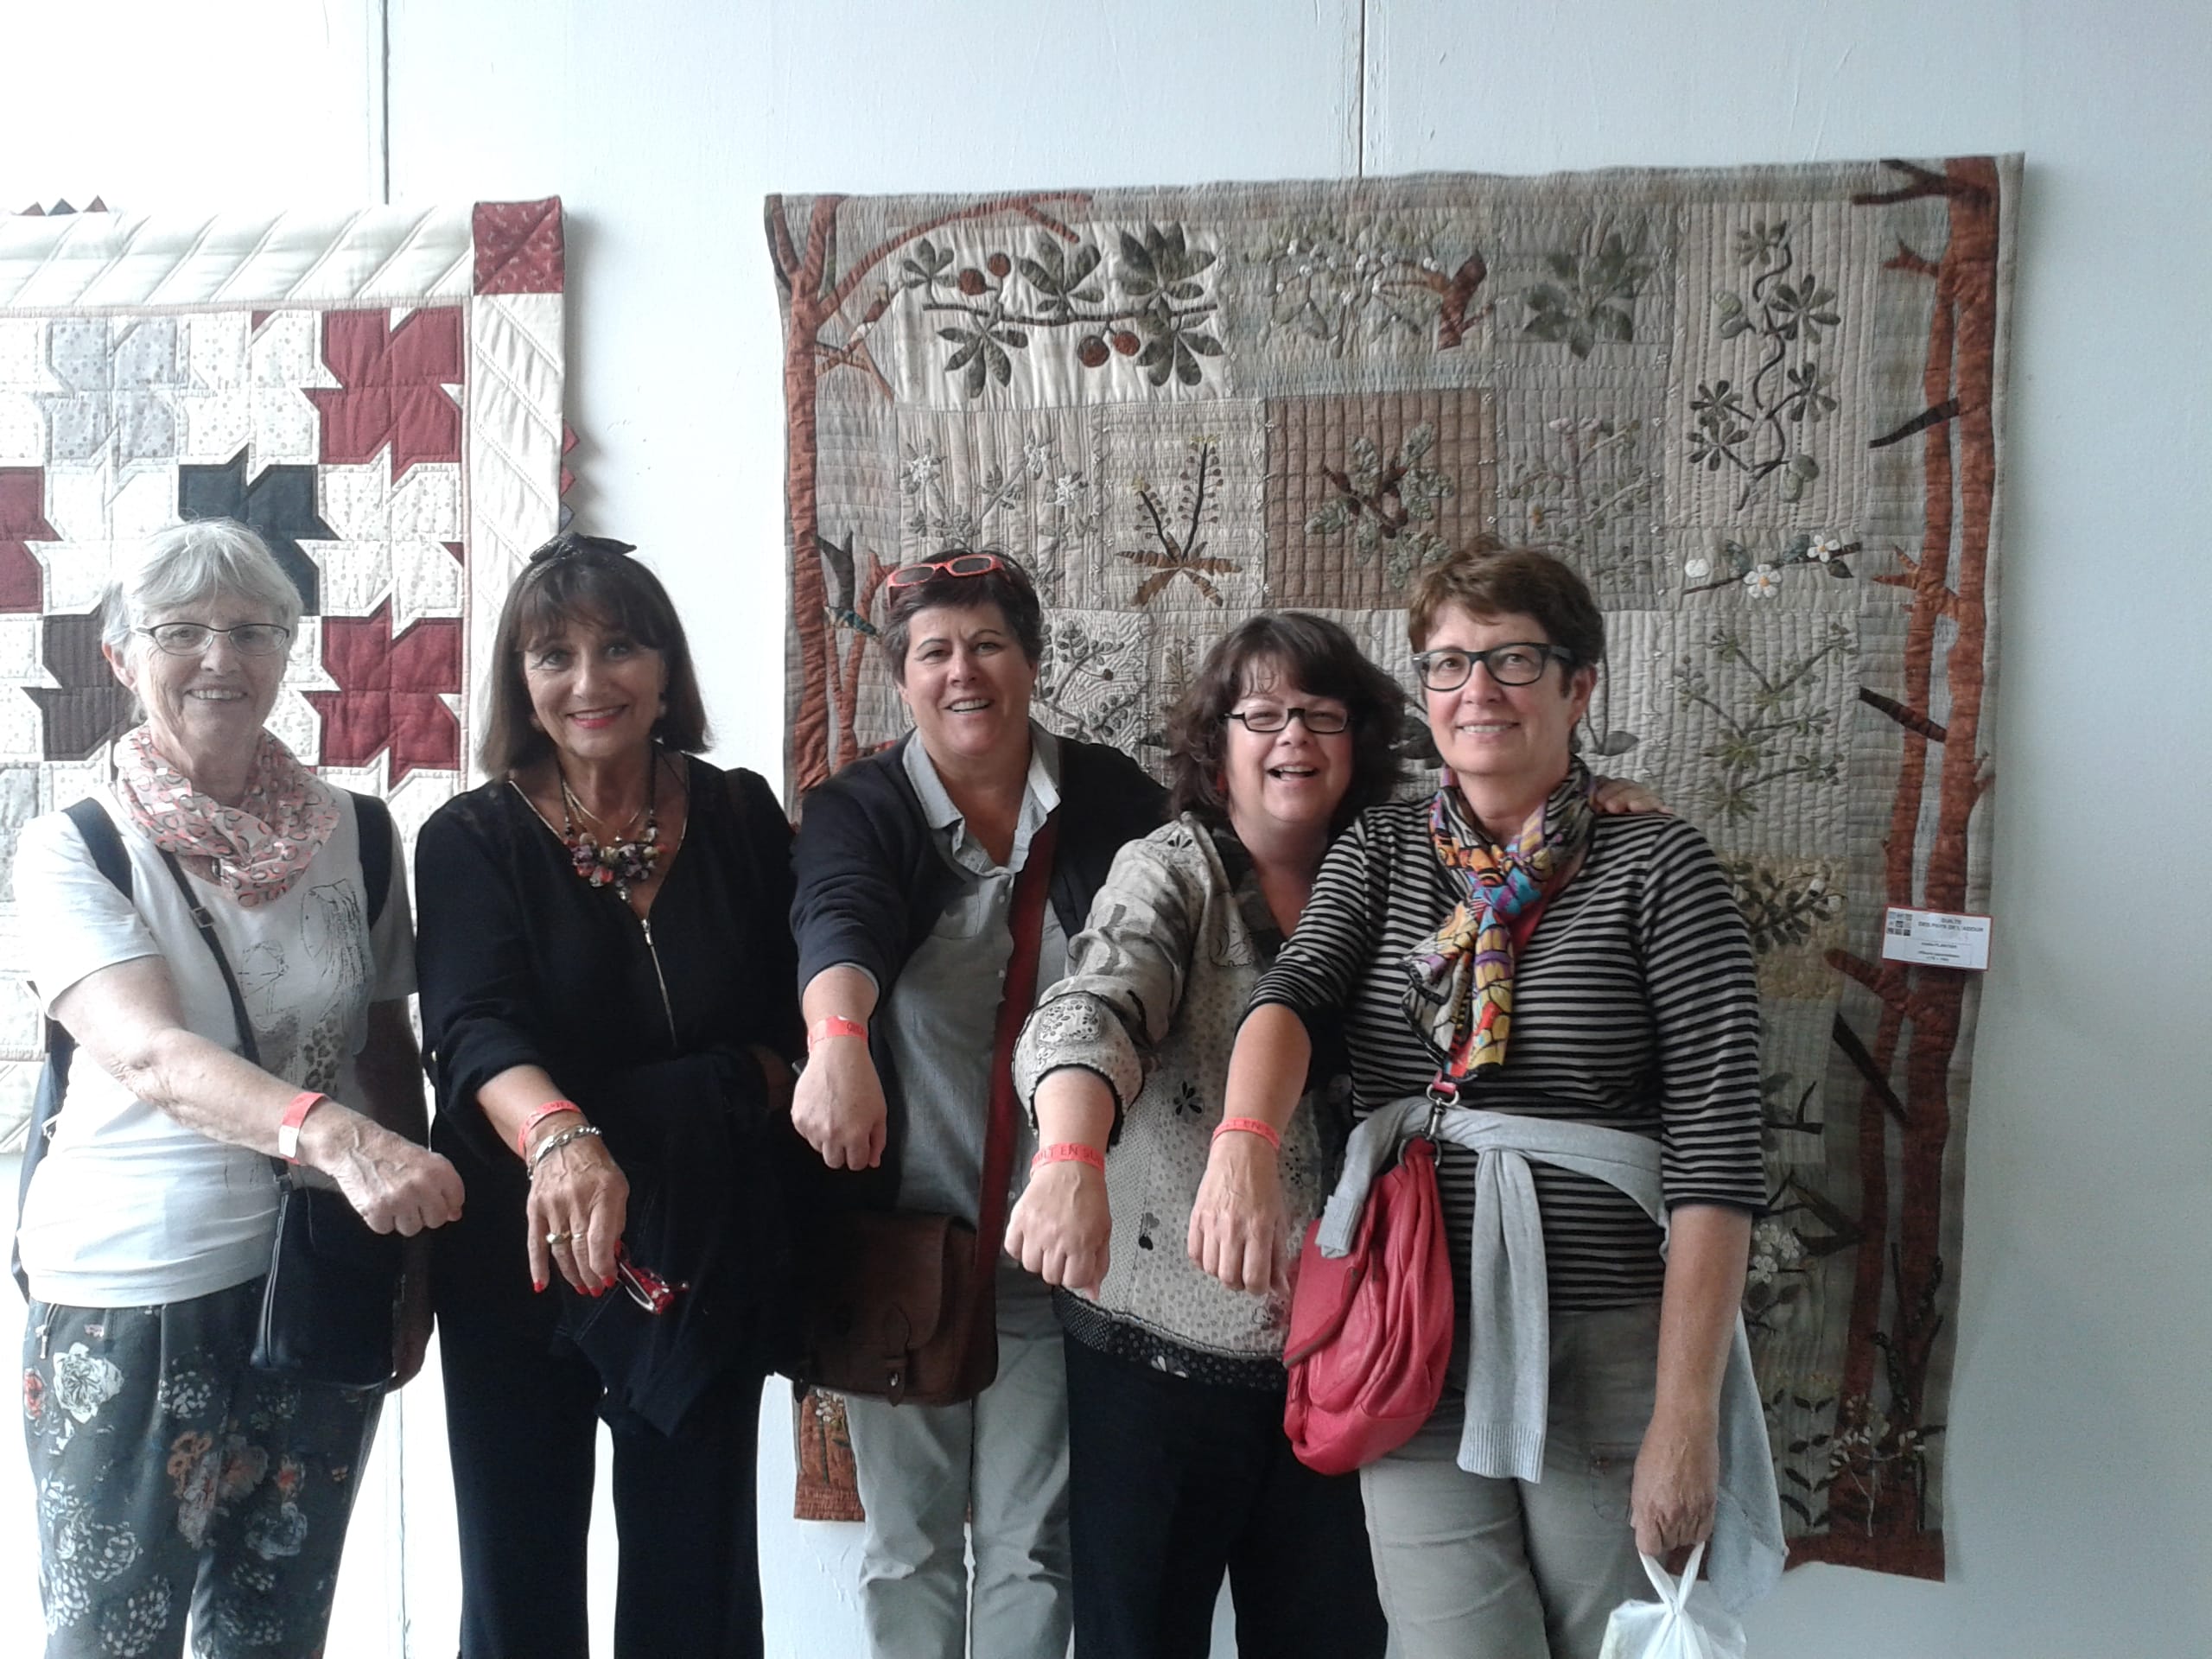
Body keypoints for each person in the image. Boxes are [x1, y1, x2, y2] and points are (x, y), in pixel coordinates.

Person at [1196, 547, 1784, 1659]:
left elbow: (1717, 1153)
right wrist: (1244, 1142)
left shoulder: (1659, 866)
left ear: (1579, 684)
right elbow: (1296, 995)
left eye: (1513, 658)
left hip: (1606, 1349)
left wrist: (1684, 1419)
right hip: (1404, 1337)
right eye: (1449, 664)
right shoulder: (1376, 849)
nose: (1477, 690)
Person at [14, 518, 463, 1659]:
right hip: (134, 1285)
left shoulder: (358, 835)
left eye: (254, 631)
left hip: (316, 1282)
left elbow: (383, 1046)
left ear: (288, 653)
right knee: (113, 1634)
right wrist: (341, 1144)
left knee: (276, 1628)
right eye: (181, 632)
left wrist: (410, 1264)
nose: (221, 657)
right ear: (121, 657)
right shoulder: (76, 845)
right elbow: (150, 1054)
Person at [414, 531, 804, 1659]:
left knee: (699, 1585)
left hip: (695, 1245)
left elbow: (796, 1020)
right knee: (519, 1582)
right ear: (520, 684)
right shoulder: (472, 837)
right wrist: (563, 1139)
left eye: (620, 646)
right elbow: (472, 1028)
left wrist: (737, 1082)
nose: (590, 682)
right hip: (522, 1248)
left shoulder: (737, 815)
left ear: (668, 669)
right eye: (554, 655)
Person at [789, 550, 1164, 1659]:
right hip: (908, 1254)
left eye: (989, 644)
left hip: (1062, 1250)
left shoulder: (1112, 798)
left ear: (1033, 660)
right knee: (907, 1546)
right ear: (900, 676)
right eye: (933, 651)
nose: (964, 672)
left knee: (1034, 1546)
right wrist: (838, 1039)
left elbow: (1197, 903)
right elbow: (840, 918)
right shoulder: (860, 809)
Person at [1003, 612, 1396, 1659]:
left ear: (1360, 741)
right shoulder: (1170, 869)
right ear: (1215, 745)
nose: (1292, 740)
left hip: (1348, 1361)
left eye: (1320, 715)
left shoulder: (1404, 872)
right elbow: (1097, 1006)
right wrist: (1070, 1155)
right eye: (1260, 715)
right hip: (1155, 1361)